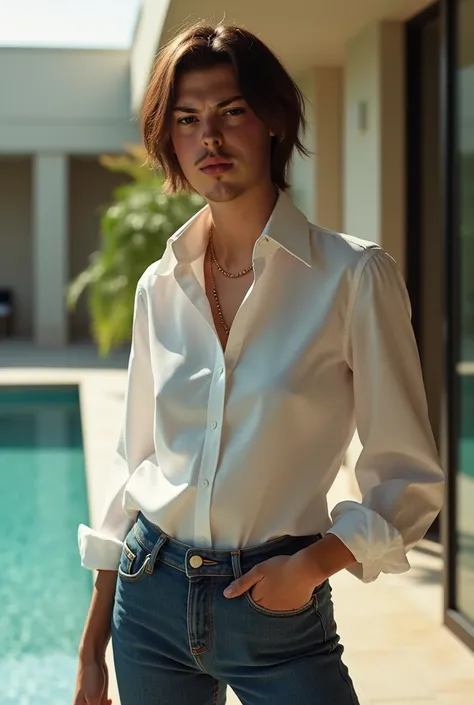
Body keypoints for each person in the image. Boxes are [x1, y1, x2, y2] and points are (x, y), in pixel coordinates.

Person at [73, 22, 445, 705]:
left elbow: (408, 476)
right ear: (170, 142)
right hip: (148, 598)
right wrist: (91, 646)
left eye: (230, 111)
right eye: (187, 120)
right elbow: (135, 465)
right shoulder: (161, 284)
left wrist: (313, 564)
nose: (208, 138)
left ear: (273, 121)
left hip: (278, 606)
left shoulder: (353, 276)